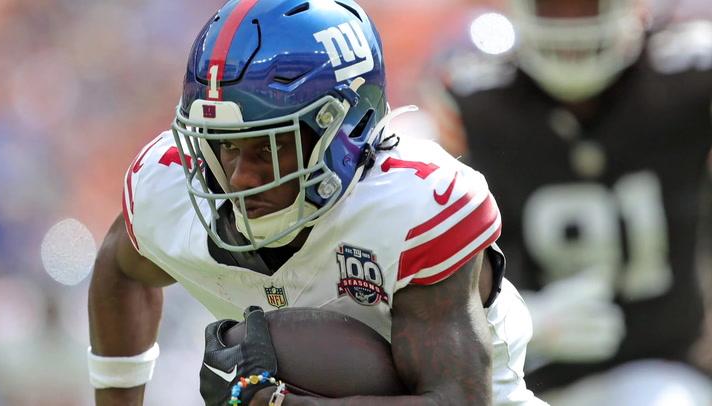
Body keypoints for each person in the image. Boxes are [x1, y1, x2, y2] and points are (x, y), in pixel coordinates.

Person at [87, 0, 545, 405]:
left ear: (343, 129)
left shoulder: (412, 207)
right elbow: (120, 268)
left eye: (268, 147)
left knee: (284, 351)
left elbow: (459, 400)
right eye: (225, 146)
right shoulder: (167, 191)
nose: (240, 177)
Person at [423, 0, 712, 404]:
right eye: (556, 7)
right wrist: (516, 323)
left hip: (660, 364)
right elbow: (425, 260)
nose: (572, 27)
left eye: (585, 6)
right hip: (524, 376)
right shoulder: (473, 96)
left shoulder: (688, 75)